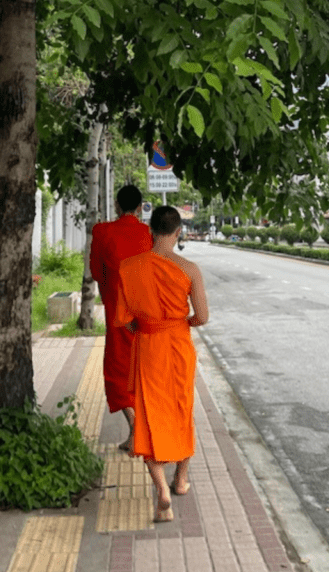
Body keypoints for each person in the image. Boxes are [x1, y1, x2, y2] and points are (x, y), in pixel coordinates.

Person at [114, 205, 210, 523]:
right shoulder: (190, 269)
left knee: (149, 417)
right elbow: (203, 317)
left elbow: (124, 320)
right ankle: (180, 481)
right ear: (178, 231)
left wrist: (148, 327)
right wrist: (182, 323)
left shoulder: (129, 267)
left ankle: (161, 492)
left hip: (149, 347)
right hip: (179, 346)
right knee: (182, 411)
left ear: (150, 230)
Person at [89, 184, 153, 451]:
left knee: (118, 371)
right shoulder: (148, 234)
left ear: (116, 205)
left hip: (118, 312)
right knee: (144, 370)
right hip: (146, 312)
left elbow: (95, 271)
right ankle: (149, 431)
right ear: (140, 207)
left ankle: (135, 427)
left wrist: (111, 291)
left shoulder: (103, 232)